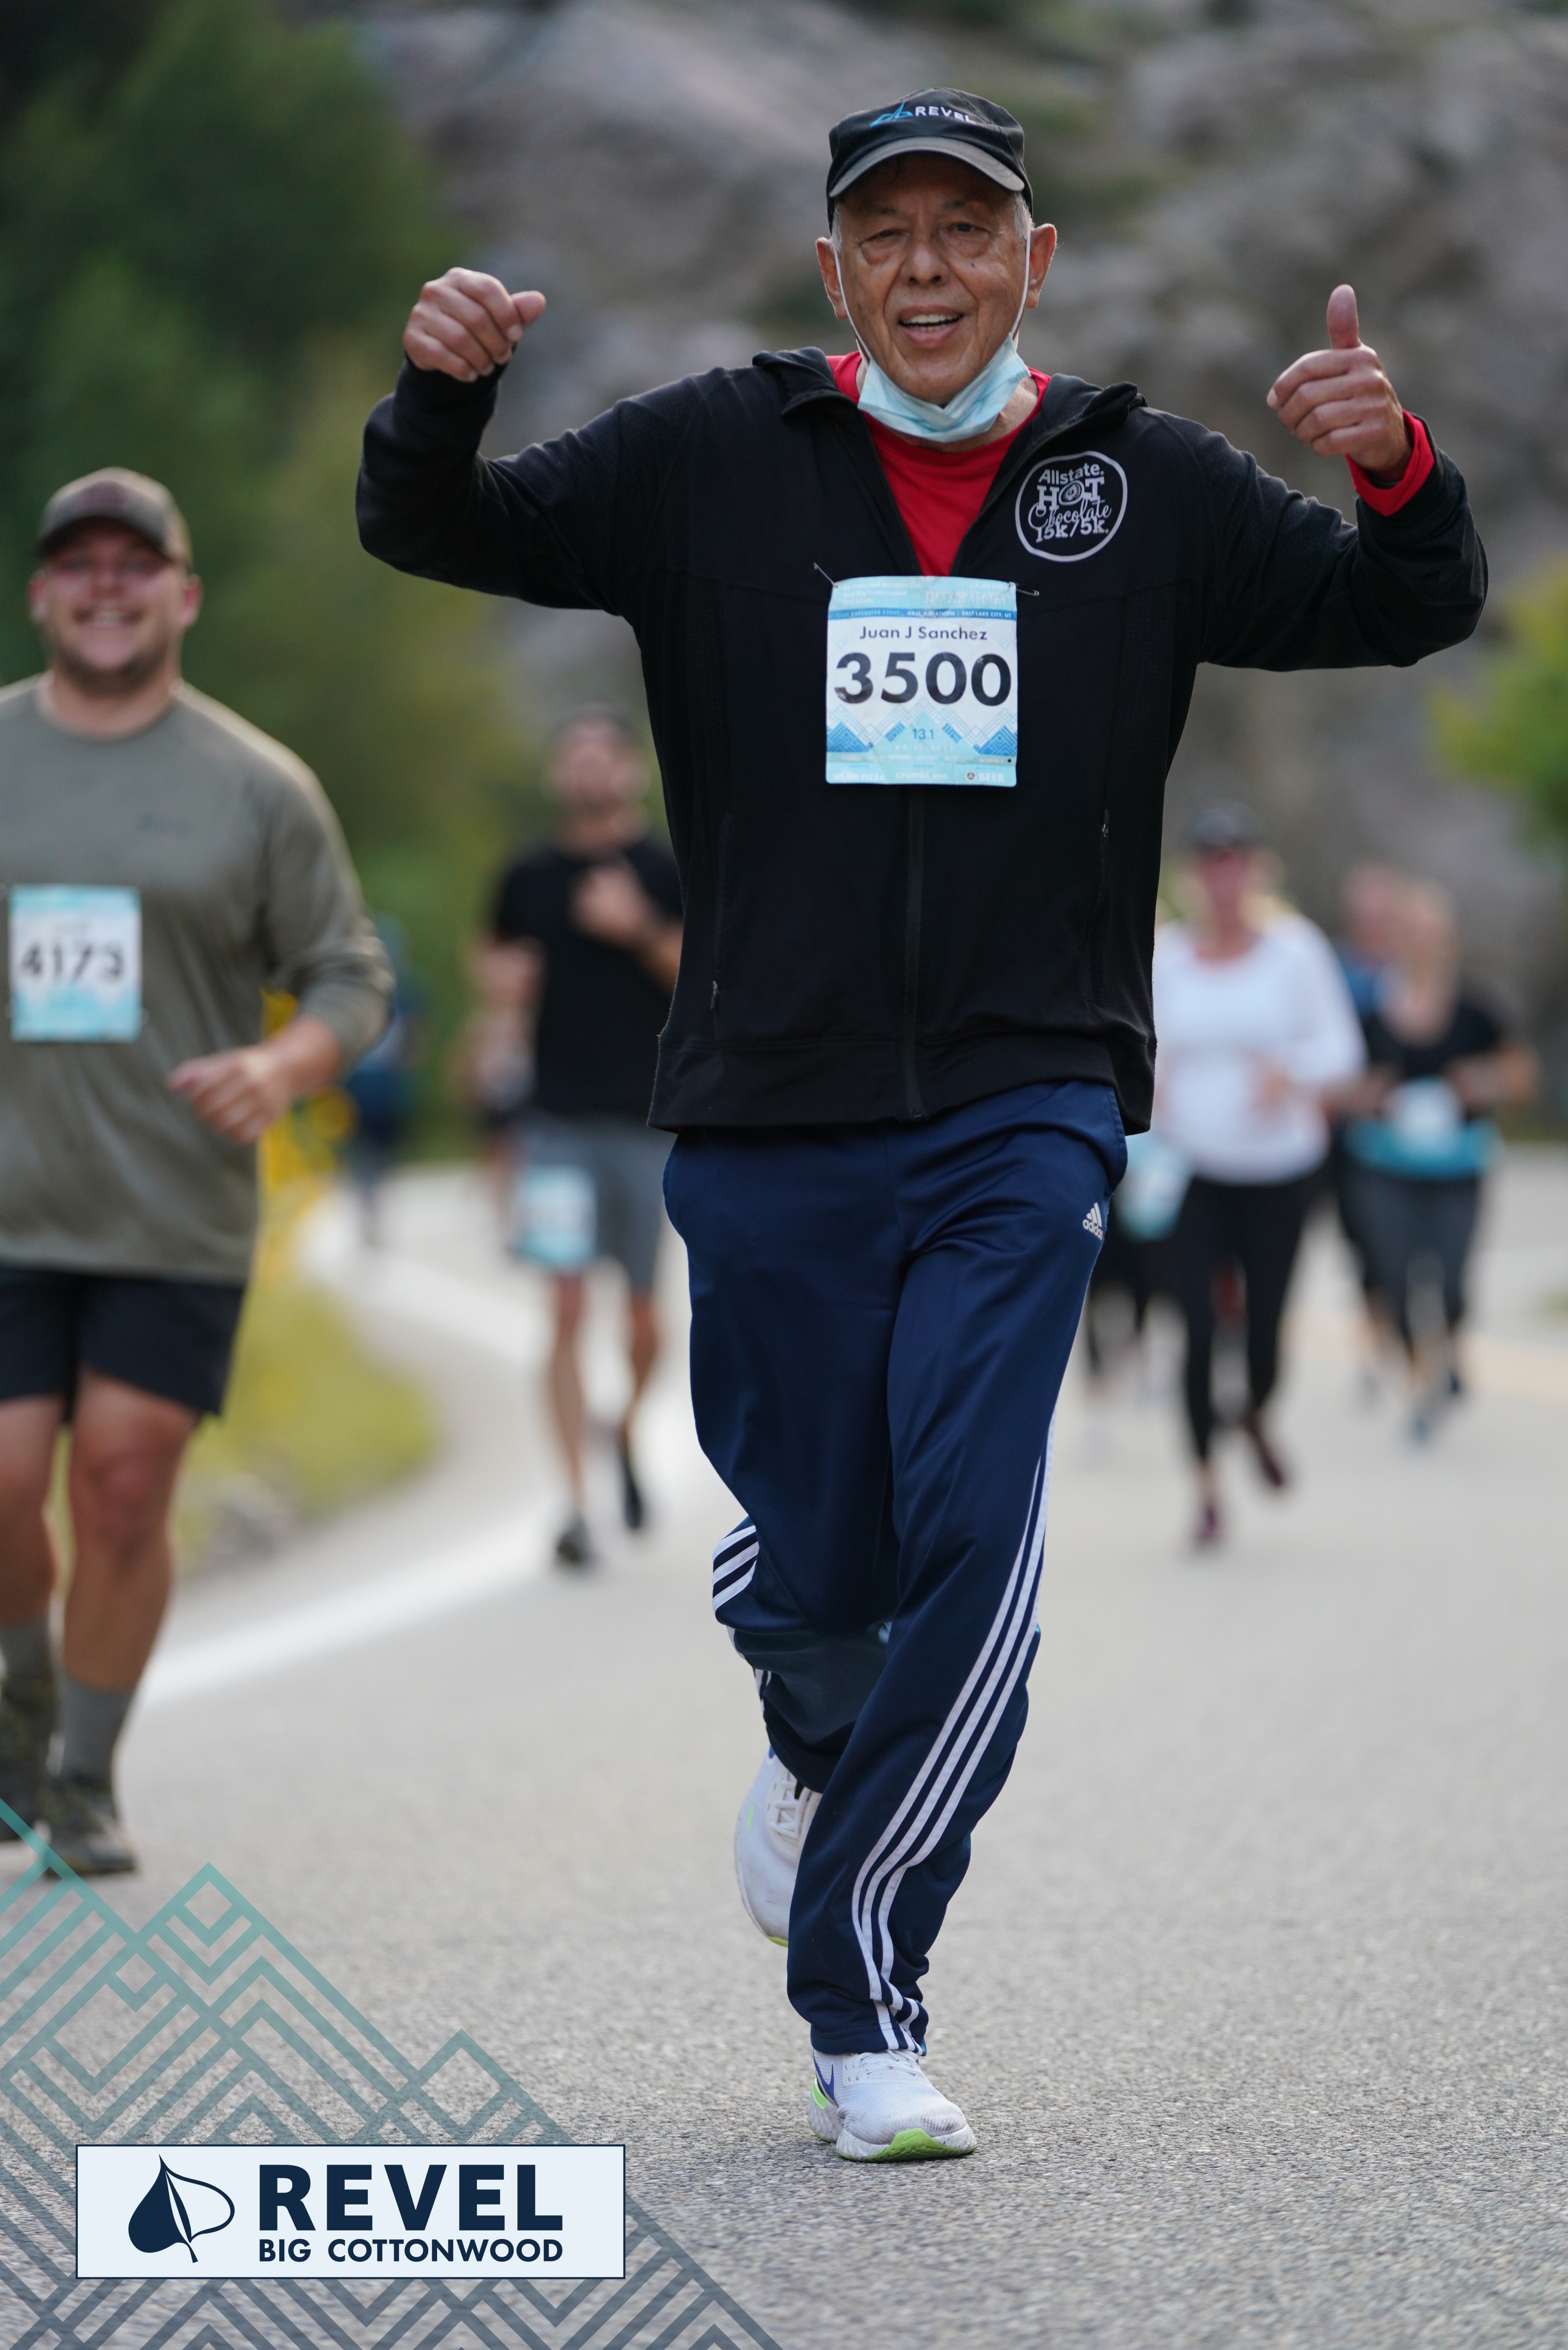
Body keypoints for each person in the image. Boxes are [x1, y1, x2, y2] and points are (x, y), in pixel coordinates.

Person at [358, 88, 1484, 2160]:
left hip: (1025, 1096)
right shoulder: (713, 454)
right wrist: (437, 398)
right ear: (834, 267)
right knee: (819, 1562)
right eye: (888, 233)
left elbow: (1398, 602)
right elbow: (442, 527)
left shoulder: (1137, 484)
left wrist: (1393, 462)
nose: (930, 268)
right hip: (765, 1099)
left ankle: (863, 1992)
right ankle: (815, 1725)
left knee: (972, 1536)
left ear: (1032, 262)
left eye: (970, 229)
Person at [0, 468, 391, 1875]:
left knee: (121, 1482)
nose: (107, 587)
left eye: (135, 564)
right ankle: (23, 1698)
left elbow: (349, 974)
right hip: (7, 1199)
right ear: (42, 594)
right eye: (80, 564)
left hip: (173, 1203)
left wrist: (284, 1068)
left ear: (185, 594)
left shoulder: (257, 784)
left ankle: (82, 1781)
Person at [491, 709, 683, 1565]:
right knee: (564, 1305)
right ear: (557, 775)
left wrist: (636, 927)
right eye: (574, 758)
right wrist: (502, 982)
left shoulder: (664, 870)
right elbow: (491, 959)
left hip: (646, 1121)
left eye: (603, 757)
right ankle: (573, 1504)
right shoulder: (527, 874)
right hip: (554, 1123)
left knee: (645, 1320)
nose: (588, 771)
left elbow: (699, 974)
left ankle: (625, 1422)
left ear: (631, 772)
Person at [1152, 808, 1365, 1546]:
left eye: (1236, 863)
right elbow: (1139, 1041)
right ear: (1191, 878)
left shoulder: (1295, 951)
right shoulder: (1167, 957)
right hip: (1190, 1165)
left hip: (1278, 1167)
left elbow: (1342, 1051)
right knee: (1194, 1326)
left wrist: (1292, 1073)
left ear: (1256, 873)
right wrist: (1151, 1084)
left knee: (1265, 1332)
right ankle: (1205, 1490)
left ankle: (1252, 1410)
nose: (1223, 880)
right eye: (1210, 865)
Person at [1337, 882, 1537, 1437]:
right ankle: (1422, 1383)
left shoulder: (1478, 1007)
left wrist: (1482, 1081)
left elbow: (1522, 1075)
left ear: (1451, 941)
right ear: (1395, 940)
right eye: (1411, 933)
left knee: (1450, 1282)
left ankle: (1447, 1346)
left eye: (1433, 934)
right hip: (1383, 1163)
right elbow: (1337, 1080)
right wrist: (1368, 1094)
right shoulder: (1368, 1009)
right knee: (1394, 1278)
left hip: (1456, 1166)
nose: (1423, 945)